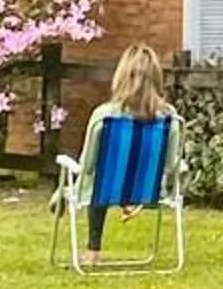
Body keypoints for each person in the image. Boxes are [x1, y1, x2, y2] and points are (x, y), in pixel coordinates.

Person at [73, 46, 179, 267]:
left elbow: (88, 166)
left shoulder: (104, 116)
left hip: (105, 189)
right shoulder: (169, 118)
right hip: (150, 191)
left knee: (100, 177)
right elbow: (171, 166)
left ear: (121, 77)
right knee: (112, 176)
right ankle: (129, 199)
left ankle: (93, 251)